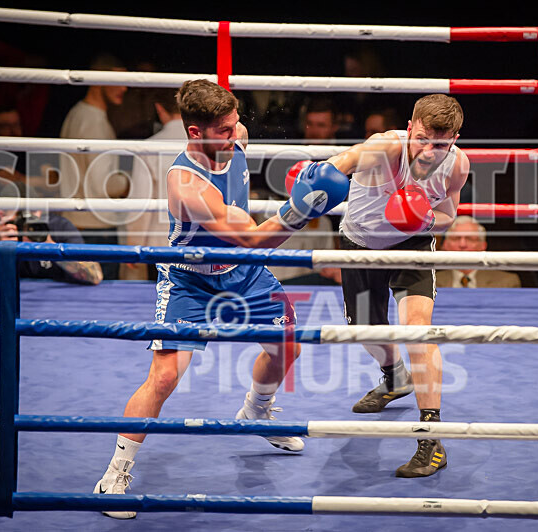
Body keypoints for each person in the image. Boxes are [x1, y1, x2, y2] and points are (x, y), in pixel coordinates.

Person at [93, 79, 349, 519]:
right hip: (191, 281)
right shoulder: (186, 187)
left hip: (243, 275)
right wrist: (300, 210)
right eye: (225, 130)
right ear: (195, 133)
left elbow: (247, 247)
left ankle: (256, 411)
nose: (236, 135)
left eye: (236, 125)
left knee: (287, 344)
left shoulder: (238, 138)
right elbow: (250, 239)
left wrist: (338, 165)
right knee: (165, 378)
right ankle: (114, 474)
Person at [302, 94, 470, 477]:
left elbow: (448, 212)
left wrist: (422, 220)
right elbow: (340, 163)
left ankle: (431, 438)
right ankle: (395, 378)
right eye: (423, 138)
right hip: (359, 244)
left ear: (455, 138)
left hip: (412, 245)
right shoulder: (384, 147)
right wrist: (316, 177)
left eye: (441, 144)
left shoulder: (457, 164)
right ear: (410, 128)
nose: (429, 151)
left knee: (418, 332)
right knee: (366, 332)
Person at [58, 53, 129, 280]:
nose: (125, 88)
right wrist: (132, 181)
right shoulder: (94, 121)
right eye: (119, 81)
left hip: (78, 221)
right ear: (99, 80)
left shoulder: (77, 114)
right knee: (104, 299)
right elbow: (103, 185)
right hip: (94, 226)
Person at [120, 89, 185, 281]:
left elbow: (141, 201)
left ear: (159, 108)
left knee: (158, 302)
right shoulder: (207, 144)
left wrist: (134, 245)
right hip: (201, 243)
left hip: (160, 244)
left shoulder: (148, 147)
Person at [0, 209, 103, 287]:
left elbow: (94, 275)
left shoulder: (58, 227)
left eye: (32, 213)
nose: (27, 222)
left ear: (41, 212)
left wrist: (49, 246)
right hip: (3, 304)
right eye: (21, 215)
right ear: (3, 214)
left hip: (57, 307)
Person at [436, 216, 521, 288]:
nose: (462, 244)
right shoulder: (432, 282)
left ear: (483, 246)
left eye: (470, 239)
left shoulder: (506, 282)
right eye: (456, 239)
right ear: (445, 245)